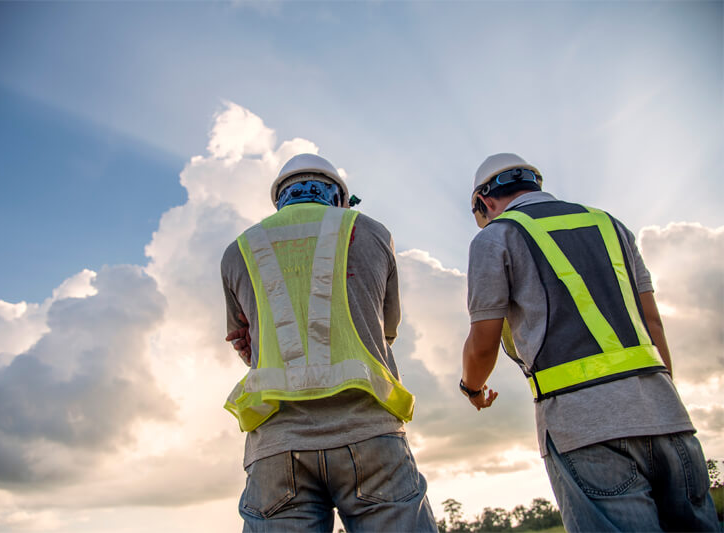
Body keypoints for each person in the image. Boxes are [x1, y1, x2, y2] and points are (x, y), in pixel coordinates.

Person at [460, 153, 719, 532]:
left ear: (484, 202)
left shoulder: (495, 237)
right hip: (667, 415)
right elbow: (652, 324)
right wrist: (662, 398)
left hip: (585, 429)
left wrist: (472, 388)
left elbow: (483, 343)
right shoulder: (609, 224)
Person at [221, 153, 437, 532]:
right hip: (369, 433)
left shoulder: (238, 250)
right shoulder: (372, 232)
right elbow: (385, 330)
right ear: (338, 197)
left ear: (280, 198)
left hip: (277, 444)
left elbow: (248, 345)